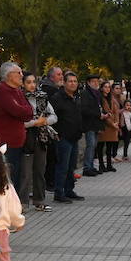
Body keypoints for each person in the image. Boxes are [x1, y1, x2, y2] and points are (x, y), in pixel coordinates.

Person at [0, 61, 34, 196]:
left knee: (17, 176)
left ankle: (14, 204)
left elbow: (29, 111)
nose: (21, 75)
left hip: (17, 143)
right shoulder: (1, 90)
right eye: (18, 73)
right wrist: (23, 111)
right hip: (4, 144)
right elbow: (17, 111)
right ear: (8, 75)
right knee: (7, 177)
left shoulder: (17, 91)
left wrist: (23, 111)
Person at [21, 72, 55, 212]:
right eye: (28, 82)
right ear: (23, 84)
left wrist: (44, 121)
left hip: (41, 137)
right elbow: (20, 122)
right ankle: (22, 202)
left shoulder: (42, 97)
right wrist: (35, 123)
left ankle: (39, 200)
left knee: (40, 170)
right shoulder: (20, 98)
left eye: (33, 82)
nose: (32, 85)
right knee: (25, 172)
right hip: (25, 137)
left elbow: (54, 116)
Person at [51, 71, 83, 202]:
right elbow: (51, 116)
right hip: (63, 137)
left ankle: (69, 190)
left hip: (74, 137)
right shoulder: (57, 98)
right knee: (62, 166)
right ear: (64, 83)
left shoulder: (76, 98)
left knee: (71, 166)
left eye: (75, 81)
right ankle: (59, 192)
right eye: (70, 81)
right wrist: (56, 134)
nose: (73, 84)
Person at [78, 74, 104, 176]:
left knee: (94, 146)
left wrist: (103, 114)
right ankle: (87, 167)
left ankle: (91, 166)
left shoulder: (97, 93)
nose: (96, 83)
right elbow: (84, 109)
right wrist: (99, 114)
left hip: (96, 123)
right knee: (90, 145)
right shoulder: (85, 93)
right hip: (89, 124)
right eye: (94, 81)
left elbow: (99, 107)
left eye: (97, 81)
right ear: (88, 83)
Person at [97, 81, 120, 173]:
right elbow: (105, 113)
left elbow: (116, 112)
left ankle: (109, 165)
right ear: (101, 88)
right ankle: (101, 165)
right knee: (101, 145)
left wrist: (117, 122)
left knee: (110, 146)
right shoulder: (100, 99)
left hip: (113, 125)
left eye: (108, 87)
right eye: (105, 87)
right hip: (105, 125)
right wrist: (112, 124)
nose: (107, 88)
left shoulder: (112, 98)